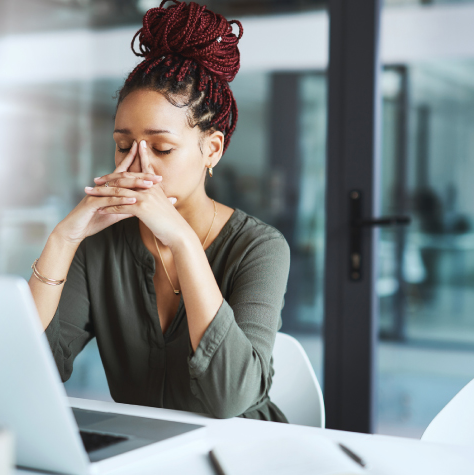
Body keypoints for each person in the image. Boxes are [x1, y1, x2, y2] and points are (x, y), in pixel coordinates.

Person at [29, 0, 290, 422]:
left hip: (243, 449)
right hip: (145, 452)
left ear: (213, 149)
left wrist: (183, 242)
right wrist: (63, 240)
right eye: (122, 145)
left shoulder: (259, 247)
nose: (136, 165)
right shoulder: (100, 245)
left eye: (162, 148)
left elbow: (231, 399)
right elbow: (34, 369)